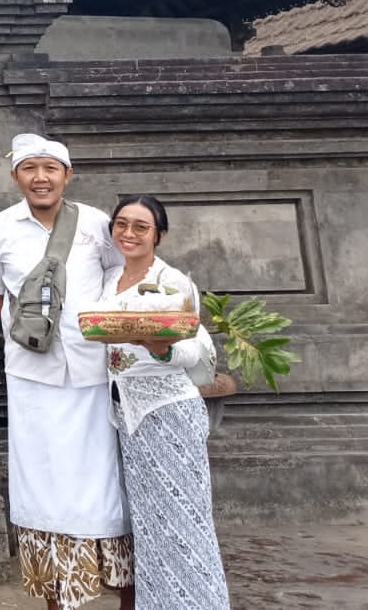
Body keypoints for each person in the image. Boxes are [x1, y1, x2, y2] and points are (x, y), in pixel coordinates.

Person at [0, 133, 135, 610]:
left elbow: (121, 275)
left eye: (50, 168)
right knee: (42, 478)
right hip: (33, 377)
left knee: (103, 479)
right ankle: (58, 596)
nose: (40, 178)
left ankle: (122, 587)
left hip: (93, 372)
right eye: (30, 169)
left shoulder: (98, 224)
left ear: (67, 174)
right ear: (15, 176)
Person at [103, 194, 231, 609]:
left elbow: (191, 352)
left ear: (159, 234)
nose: (129, 233)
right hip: (128, 417)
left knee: (185, 526)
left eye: (141, 226)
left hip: (169, 413)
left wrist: (154, 345)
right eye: (122, 224)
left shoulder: (172, 282)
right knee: (151, 527)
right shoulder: (110, 280)